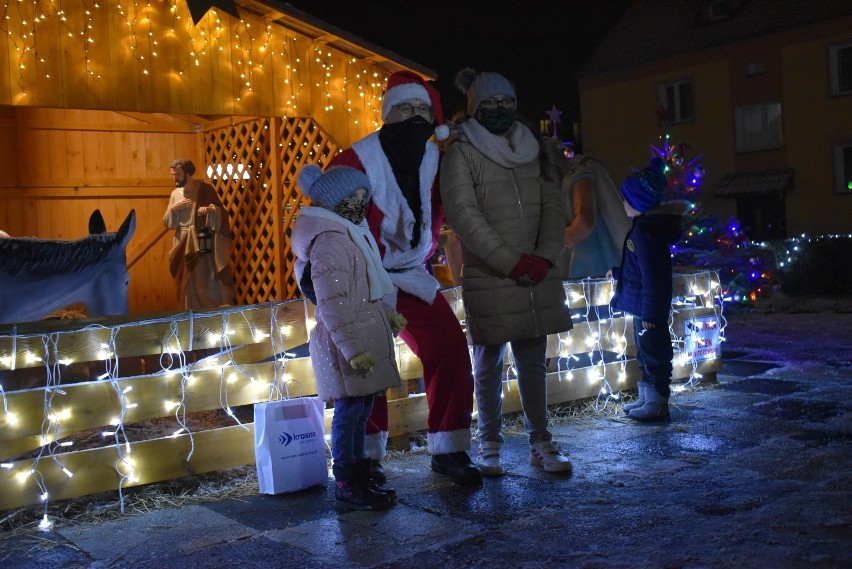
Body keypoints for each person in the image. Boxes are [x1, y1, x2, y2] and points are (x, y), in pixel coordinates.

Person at [329, 71, 482, 485]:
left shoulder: (438, 162)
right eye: (405, 109)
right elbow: (328, 217)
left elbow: (458, 208)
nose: (415, 117)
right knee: (368, 367)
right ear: (386, 113)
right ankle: (365, 457)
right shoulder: (353, 159)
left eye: (421, 110)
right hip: (364, 277)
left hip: (413, 275)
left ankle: (450, 448)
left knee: (449, 347)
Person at [439, 68, 574, 477]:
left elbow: (553, 206)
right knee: (488, 362)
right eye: (489, 104)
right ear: (475, 107)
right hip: (492, 274)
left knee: (534, 362)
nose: (499, 110)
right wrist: (509, 261)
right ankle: (489, 440)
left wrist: (545, 256)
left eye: (506, 102)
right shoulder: (462, 152)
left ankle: (541, 440)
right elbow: (463, 214)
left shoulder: (537, 148)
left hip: (535, 273)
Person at [292, 164, 407, 511]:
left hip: (362, 334)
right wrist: (353, 347)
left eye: (363, 197)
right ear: (332, 201)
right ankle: (346, 480)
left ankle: (358, 472)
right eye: (351, 197)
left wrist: (386, 315)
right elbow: (333, 302)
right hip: (347, 344)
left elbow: (364, 291)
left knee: (361, 410)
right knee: (349, 412)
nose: (359, 203)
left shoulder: (350, 236)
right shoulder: (330, 242)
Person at [608, 157, 689, 422]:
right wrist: (619, 274)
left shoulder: (645, 233)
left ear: (639, 203)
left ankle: (657, 402)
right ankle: (648, 397)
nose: (622, 203)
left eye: (625, 199)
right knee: (645, 353)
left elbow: (654, 276)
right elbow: (640, 271)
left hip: (647, 310)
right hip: (641, 306)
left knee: (654, 354)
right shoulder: (643, 229)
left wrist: (653, 315)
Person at [163, 159, 234, 309]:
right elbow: (168, 223)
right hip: (181, 242)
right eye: (173, 175)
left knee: (203, 282)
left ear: (188, 173)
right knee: (185, 284)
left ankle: (209, 313)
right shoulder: (175, 194)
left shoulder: (204, 190)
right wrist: (174, 209)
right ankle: (189, 312)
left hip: (200, 242)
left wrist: (210, 210)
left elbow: (221, 213)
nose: (175, 178)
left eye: (178, 174)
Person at [556, 151, 632, 279]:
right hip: (588, 263)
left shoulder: (577, 175)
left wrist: (548, 239)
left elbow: (584, 224)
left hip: (592, 263)